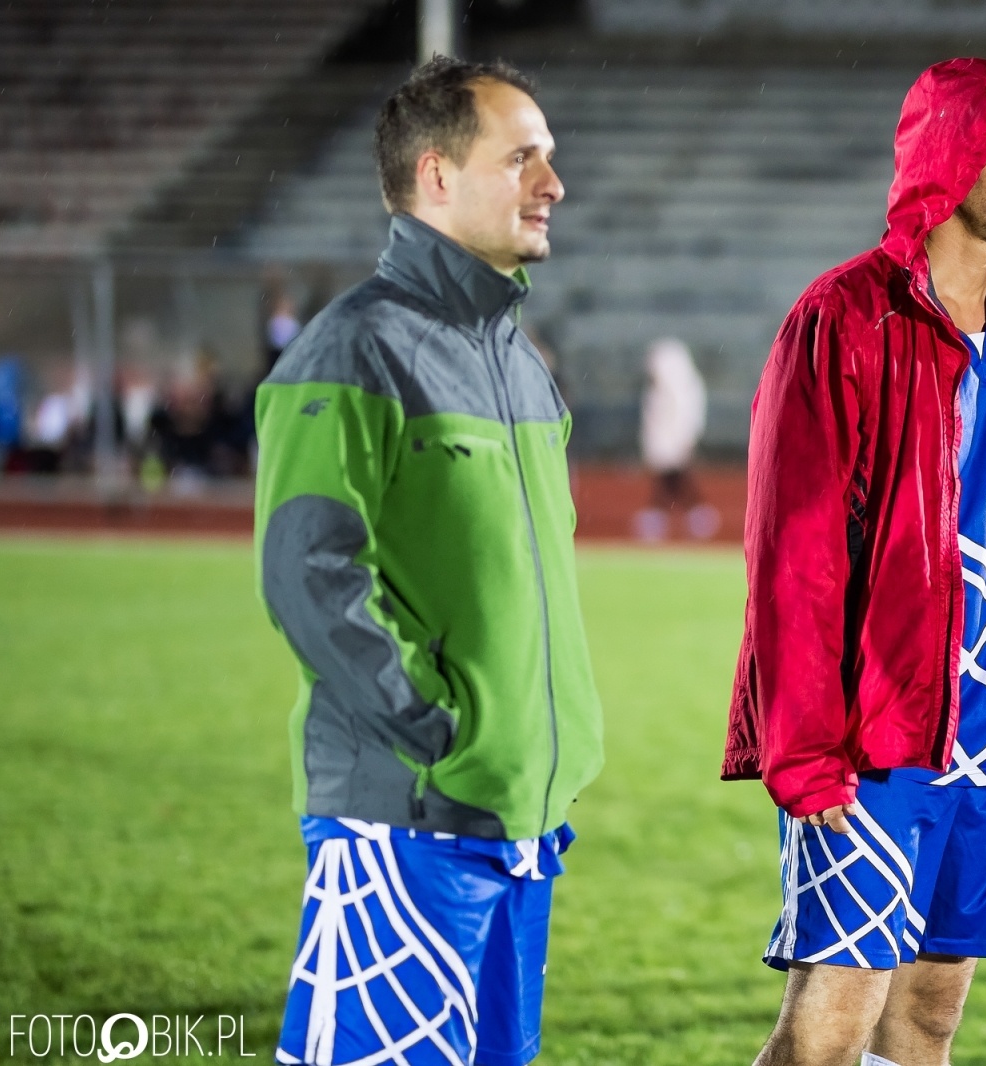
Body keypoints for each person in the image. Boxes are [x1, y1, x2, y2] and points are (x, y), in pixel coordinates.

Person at [722, 58, 986, 1066]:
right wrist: (804, 751)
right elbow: (792, 552)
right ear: (949, 157)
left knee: (928, 1017)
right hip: (873, 737)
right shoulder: (843, 317)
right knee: (834, 1018)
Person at [254, 56, 603, 1066]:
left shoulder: (519, 364)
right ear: (437, 176)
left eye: (552, 158)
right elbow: (308, 568)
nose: (554, 183)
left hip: (519, 825)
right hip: (407, 818)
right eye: (523, 157)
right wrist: (436, 726)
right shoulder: (351, 348)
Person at [634, 336, 718, 541]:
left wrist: (684, 438)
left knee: (678, 479)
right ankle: (683, 514)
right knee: (670, 480)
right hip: (663, 443)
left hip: (675, 441)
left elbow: (688, 415)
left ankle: (690, 514)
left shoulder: (684, 386)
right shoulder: (659, 388)